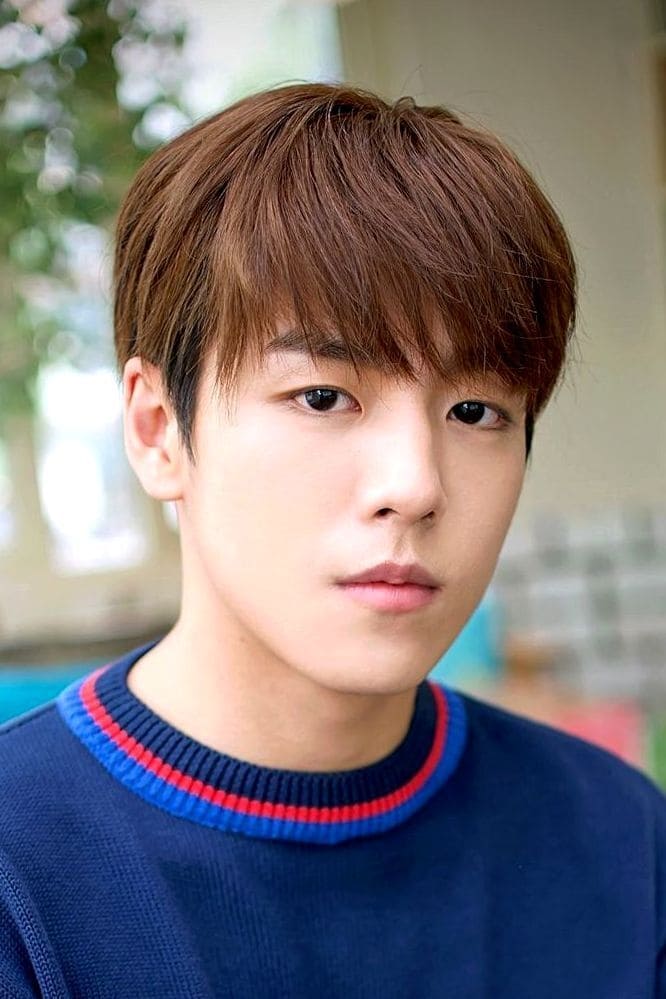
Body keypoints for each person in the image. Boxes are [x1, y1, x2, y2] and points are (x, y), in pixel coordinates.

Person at [0, 82, 663, 998]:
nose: (415, 485)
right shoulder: (22, 876)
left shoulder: (617, 837)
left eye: (476, 411)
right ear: (158, 430)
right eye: (323, 396)